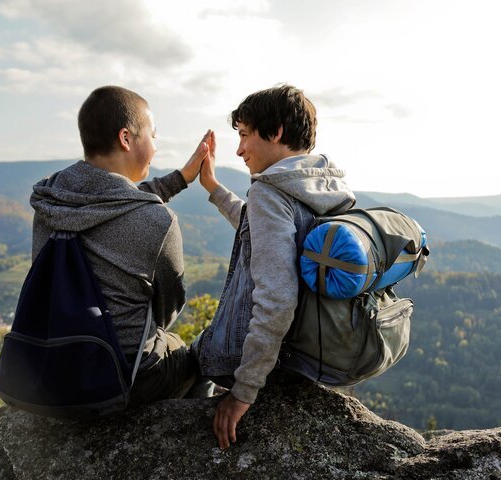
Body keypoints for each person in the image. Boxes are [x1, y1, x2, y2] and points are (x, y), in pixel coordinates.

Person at [193, 84, 356, 449]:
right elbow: (264, 233)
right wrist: (214, 188)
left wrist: (242, 392)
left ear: (277, 131)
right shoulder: (324, 187)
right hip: (306, 353)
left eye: (245, 135)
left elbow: (278, 299)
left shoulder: (269, 191)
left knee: (180, 361)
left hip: (251, 360)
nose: (239, 150)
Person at [29, 85, 211, 407]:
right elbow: (167, 310)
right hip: (122, 377)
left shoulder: (51, 200)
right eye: (153, 136)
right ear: (127, 139)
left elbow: (112, 199)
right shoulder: (158, 222)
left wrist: (181, 178)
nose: (156, 147)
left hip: (54, 367)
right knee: (199, 355)